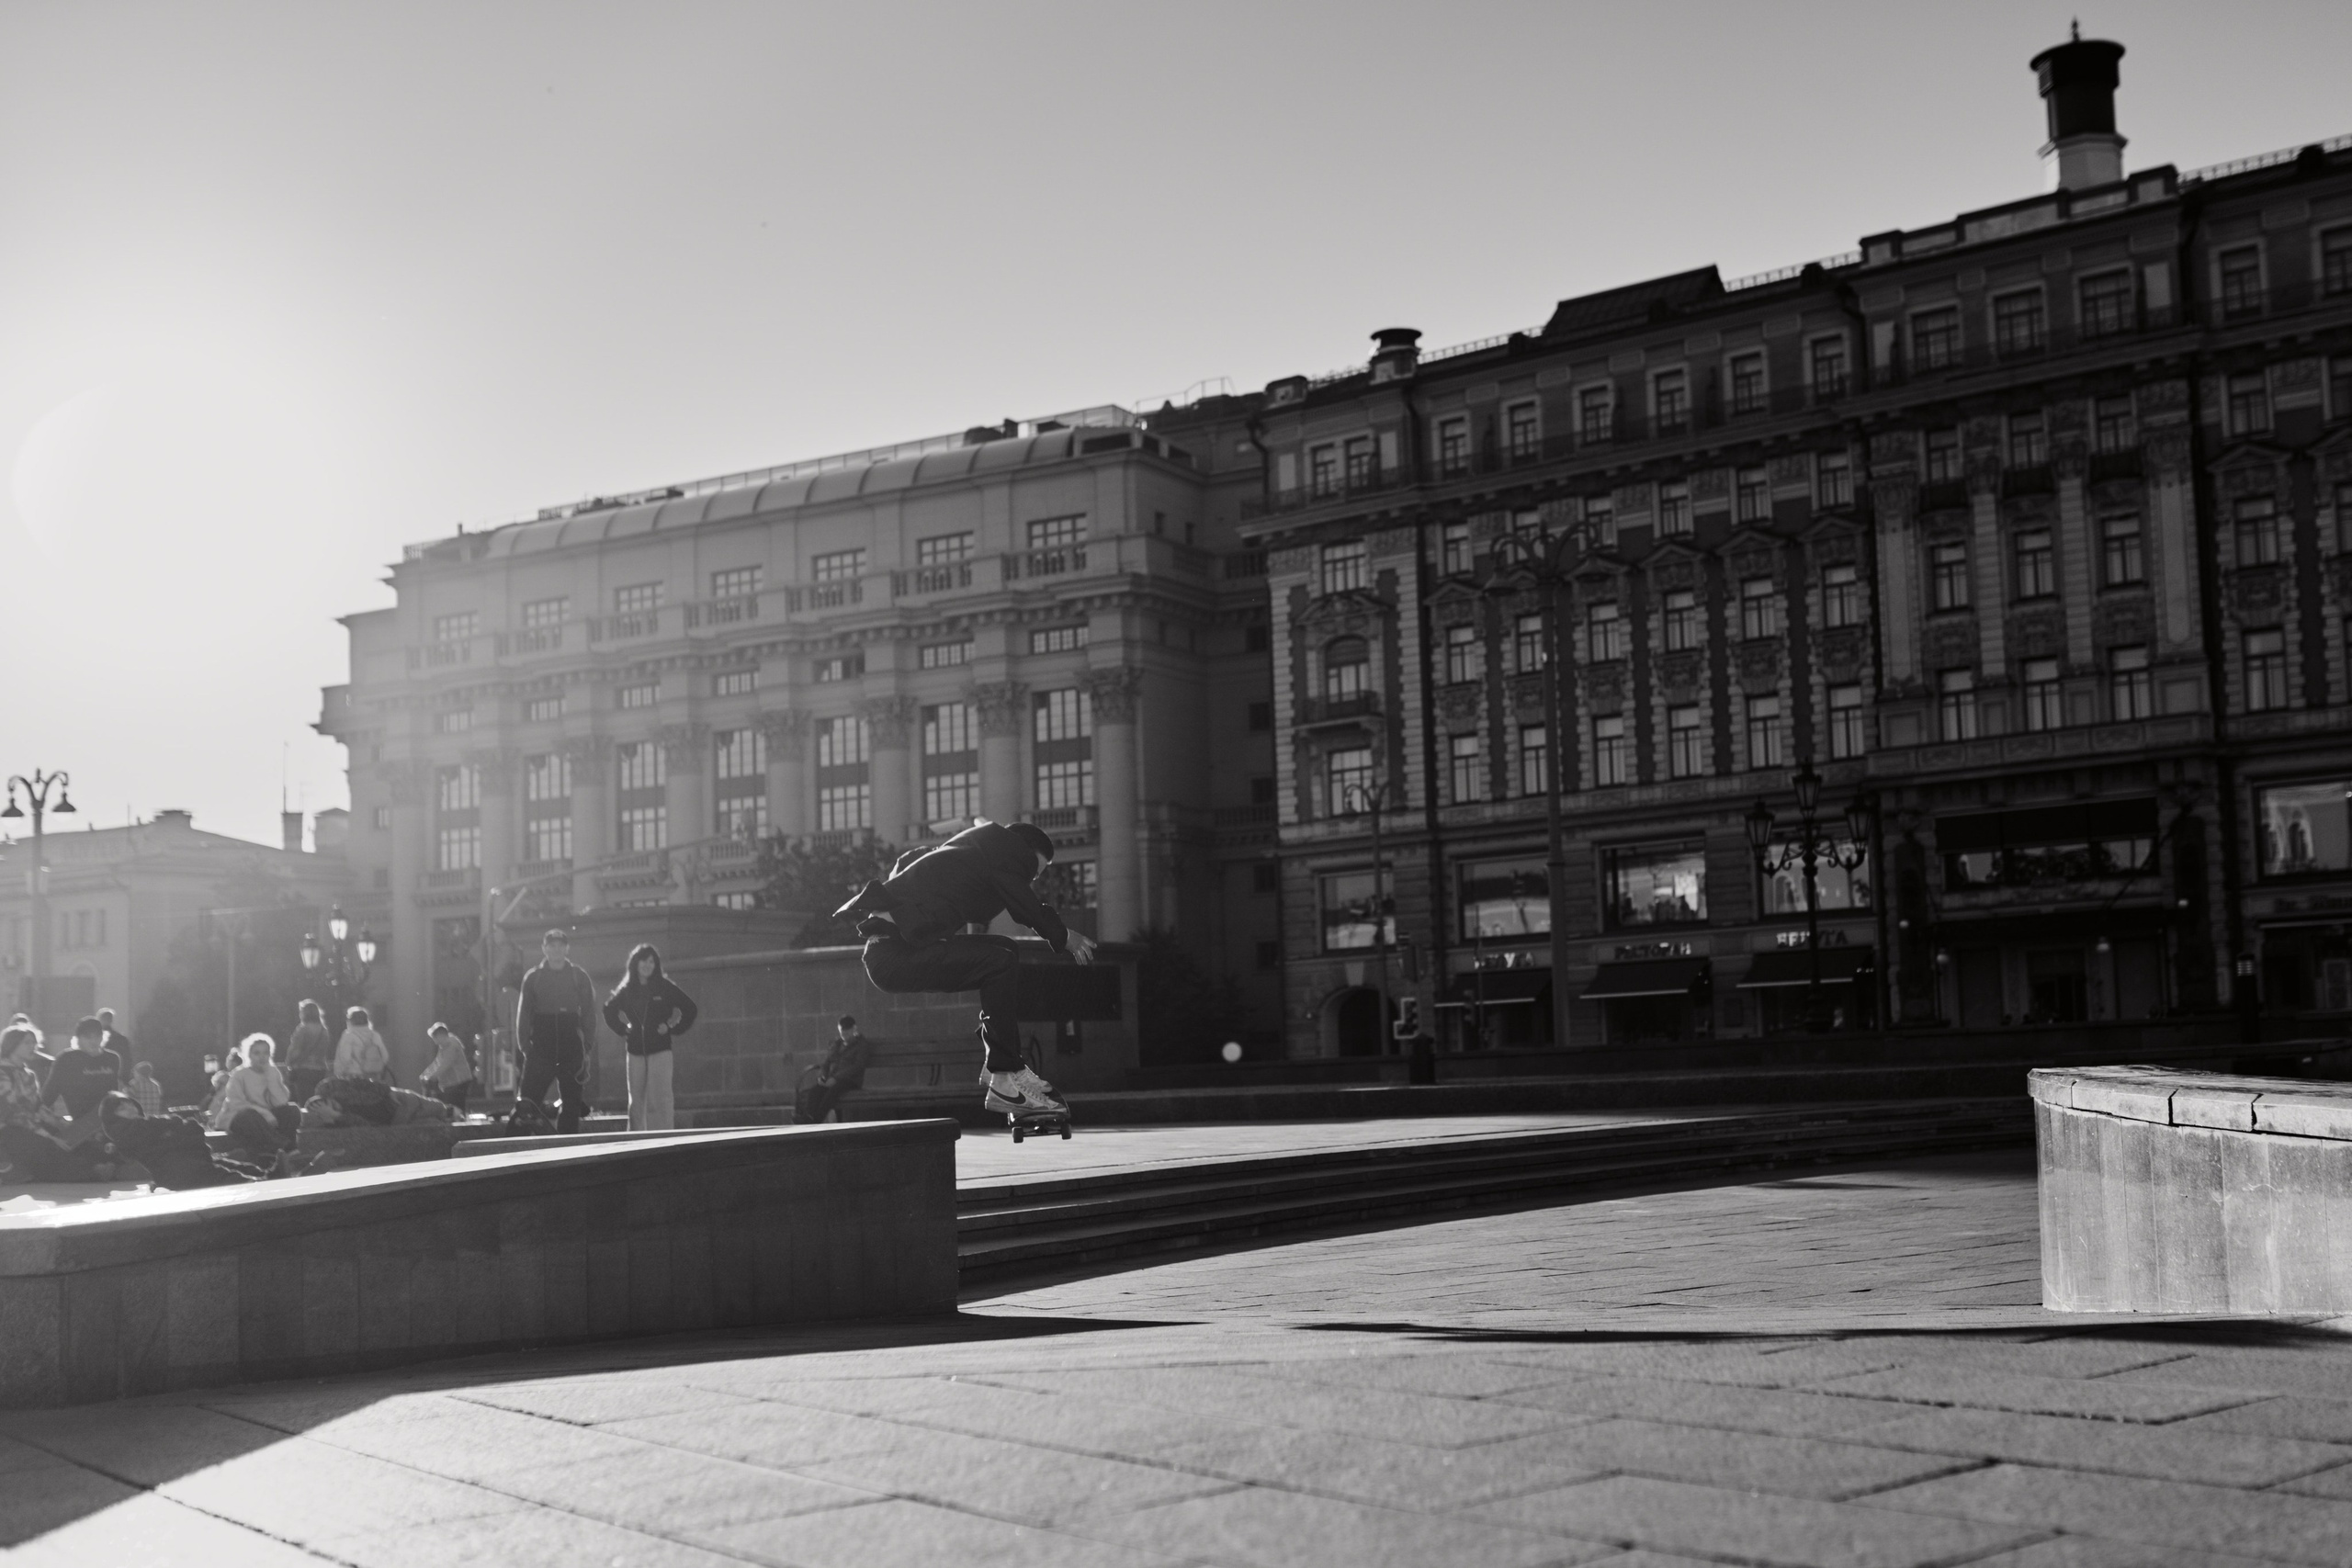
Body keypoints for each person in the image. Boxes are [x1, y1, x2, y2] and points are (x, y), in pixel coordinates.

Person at [833, 818, 1094, 1117]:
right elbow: (1024, 903)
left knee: (1006, 950)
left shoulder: (968, 848)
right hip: (895, 955)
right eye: (1036, 869)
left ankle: (1000, 1064)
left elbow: (909, 864)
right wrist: (1063, 936)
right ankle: (1005, 1079)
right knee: (999, 961)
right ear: (1024, 850)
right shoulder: (1008, 849)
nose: (1032, 878)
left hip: (890, 954)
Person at [602, 943, 697, 1132]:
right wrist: (623, 1029)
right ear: (635, 963)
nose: (647, 965)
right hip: (635, 1051)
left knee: (660, 1099)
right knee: (636, 1101)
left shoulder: (664, 987)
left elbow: (690, 1009)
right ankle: (636, 1141)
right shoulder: (627, 989)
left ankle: (662, 1139)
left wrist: (672, 1029)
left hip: (660, 1050)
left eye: (651, 961)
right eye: (643, 961)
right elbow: (608, 1010)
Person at [515, 929, 597, 1134]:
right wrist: (525, 1045)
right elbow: (524, 1013)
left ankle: (567, 1149)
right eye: (552, 945)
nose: (556, 949)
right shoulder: (533, 977)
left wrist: (587, 1045)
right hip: (542, 1042)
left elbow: (588, 1012)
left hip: (571, 1041)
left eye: (561, 945)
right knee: (528, 1101)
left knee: (571, 1103)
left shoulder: (579, 976)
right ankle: (524, 1146)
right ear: (544, 948)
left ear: (567, 949)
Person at [796, 1014, 872, 1125]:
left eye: (847, 1032)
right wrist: (822, 1077)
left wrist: (836, 1079)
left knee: (832, 1093)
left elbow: (858, 1066)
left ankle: (815, 1121)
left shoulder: (861, 1045)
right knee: (815, 1091)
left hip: (850, 1081)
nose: (844, 1035)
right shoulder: (837, 1044)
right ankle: (808, 1117)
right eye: (842, 1032)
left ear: (854, 1029)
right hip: (833, 1079)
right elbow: (826, 1063)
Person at [212, 1033, 291, 1132]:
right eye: (257, 1053)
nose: (262, 1057)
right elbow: (237, 1104)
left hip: (264, 1119)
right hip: (236, 1118)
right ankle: (273, 1145)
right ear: (249, 1055)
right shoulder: (239, 1074)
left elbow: (281, 1102)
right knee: (250, 1117)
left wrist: (270, 1077)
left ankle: (288, 1146)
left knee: (291, 1111)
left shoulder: (273, 1072)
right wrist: (265, 1114)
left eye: (266, 1053)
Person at [418, 1022, 477, 1113]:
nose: (434, 1040)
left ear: (440, 1036)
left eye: (434, 1037)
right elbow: (437, 1063)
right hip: (452, 1084)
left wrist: (431, 1077)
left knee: (455, 1107)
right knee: (452, 1106)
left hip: (459, 1082)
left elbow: (445, 1065)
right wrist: (425, 1074)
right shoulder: (443, 1047)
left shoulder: (452, 1046)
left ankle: (460, 1123)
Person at [285, 998, 334, 1102]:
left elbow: (296, 1050)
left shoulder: (303, 1029)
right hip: (321, 1069)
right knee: (318, 1100)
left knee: (305, 1101)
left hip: (304, 1070)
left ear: (304, 1013)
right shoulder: (324, 1030)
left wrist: (289, 1062)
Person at [334, 1006, 390, 1083]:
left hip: (353, 1077)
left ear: (350, 1021)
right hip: (372, 1078)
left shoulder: (348, 1036)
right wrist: (373, 1066)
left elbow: (345, 1058)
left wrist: (339, 1073)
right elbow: (385, 1056)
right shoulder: (375, 1035)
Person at [96, 1009, 131, 1084]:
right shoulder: (121, 1039)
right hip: (116, 1076)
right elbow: (127, 1059)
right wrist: (125, 1078)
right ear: (111, 1020)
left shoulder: (93, 1038)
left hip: (98, 1075)